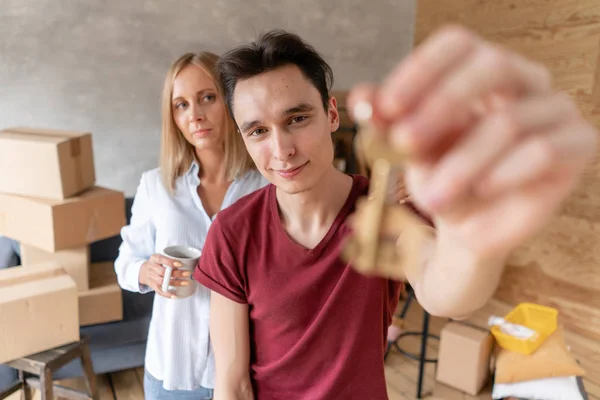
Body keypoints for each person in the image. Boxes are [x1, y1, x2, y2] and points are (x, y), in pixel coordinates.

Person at [194, 26, 597, 400]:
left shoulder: (386, 213)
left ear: (332, 114)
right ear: (244, 138)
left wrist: (470, 239)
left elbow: (444, 293)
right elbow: (232, 381)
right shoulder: (232, 232)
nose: (282, 150)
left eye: (297, 119)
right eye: (258, 131)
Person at [114, 51, 267, 399]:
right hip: (171, 370)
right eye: (181, 105)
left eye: (207, 98)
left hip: (249, 370)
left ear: (230, 100)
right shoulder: (156, 185)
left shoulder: (267, 185)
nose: (195, 115)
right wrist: (145, 271)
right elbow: (125, 263)